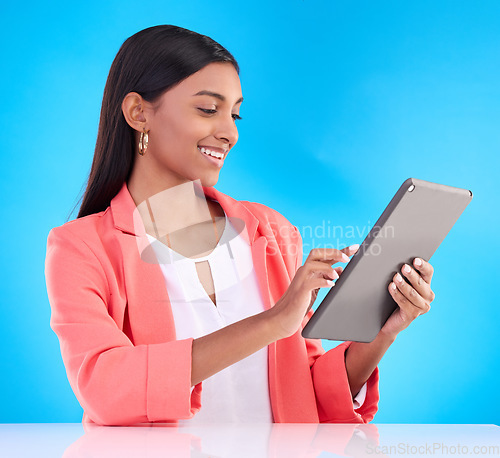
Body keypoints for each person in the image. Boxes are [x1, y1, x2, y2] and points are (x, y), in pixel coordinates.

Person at [44, 25, 436, 426]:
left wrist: (382, 331)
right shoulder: (81, 248)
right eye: (208, 109)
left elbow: (305, 394)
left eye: (235, 113)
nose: (229, 132)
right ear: (138, 112)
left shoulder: (272, 231)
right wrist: (273, 322)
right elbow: (105, 389)